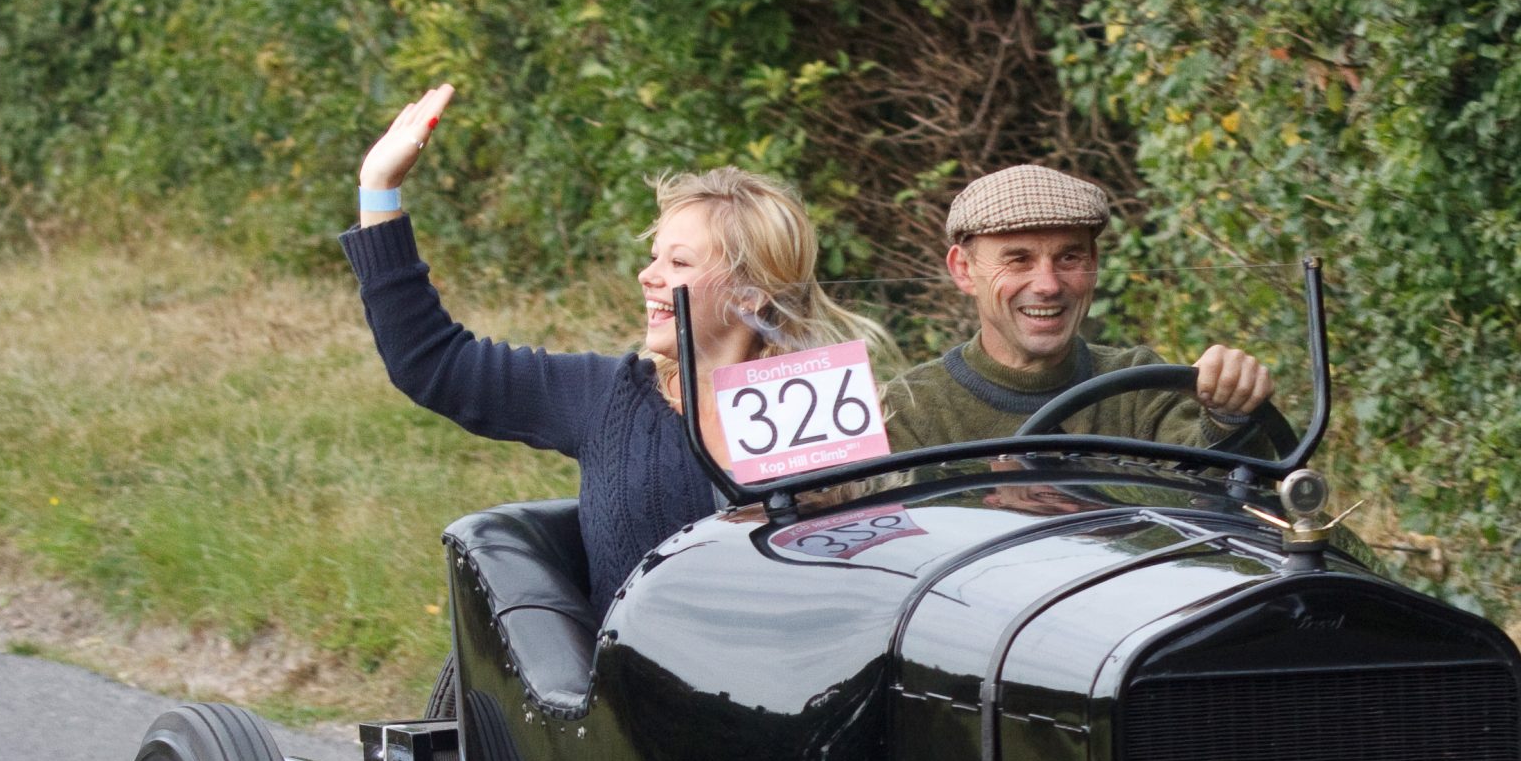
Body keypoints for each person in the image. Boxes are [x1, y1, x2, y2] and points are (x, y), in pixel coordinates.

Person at [341, 83, 887, 621]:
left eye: (679, 262)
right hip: (632, 675)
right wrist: (379, 188)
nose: (648, 276)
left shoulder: (811, 400)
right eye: (654, 257)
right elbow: (434, 363)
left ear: (750, 294)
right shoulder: (608, 395)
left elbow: (860, 581)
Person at [879, 164, 1275, 454]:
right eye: (1018, 260)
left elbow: (1220, 501)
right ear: (964, 270)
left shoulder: (1139, 386)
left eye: (1069, 258)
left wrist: (1228, 412)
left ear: (1094, 263)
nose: (1048, 285)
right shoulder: (908, 411)